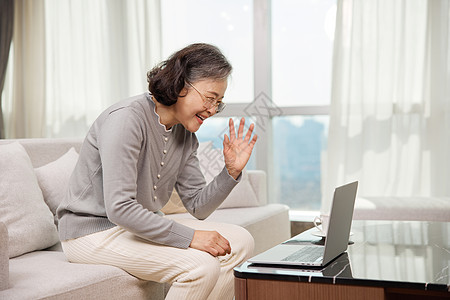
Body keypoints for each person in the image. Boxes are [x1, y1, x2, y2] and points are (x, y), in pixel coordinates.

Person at [56, 43, 258, 299]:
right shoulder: (126, 119)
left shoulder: (185, 135)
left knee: (241, 242)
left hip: (136, 227)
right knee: (200, 266)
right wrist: (191, 237)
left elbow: (198, 207)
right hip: (91, 234)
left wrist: (230, 172)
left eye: (218, 102)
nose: (212, 110)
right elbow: (119, 208)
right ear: (181, 85)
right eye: (210, 98)